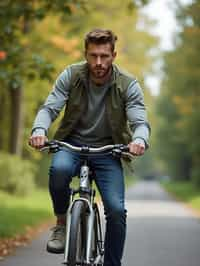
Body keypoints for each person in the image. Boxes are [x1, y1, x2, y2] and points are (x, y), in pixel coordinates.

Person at [29, 28, 151, 266]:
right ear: (85, 55)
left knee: (116, 211)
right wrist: (39, 130)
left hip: (108, 151)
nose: (98, 62)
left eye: (104, 56)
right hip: (71, 145)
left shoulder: (127, 84)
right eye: (93, 55)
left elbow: (140, 121)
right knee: (59, 171)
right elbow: (50, 108)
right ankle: (62, 224)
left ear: (113, 55)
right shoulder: (71, 75)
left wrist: (139, 140)